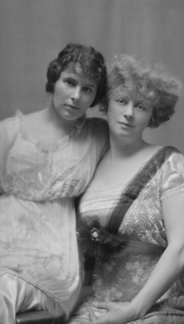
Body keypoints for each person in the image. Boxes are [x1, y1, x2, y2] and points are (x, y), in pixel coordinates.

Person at [70, 54, 184, 324]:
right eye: (121, 101)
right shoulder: (88, 167)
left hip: (162, 309)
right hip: (100, 307)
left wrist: (132, 311)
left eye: (141, 106)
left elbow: (181, 247)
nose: (129, 113)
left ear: (152, 115)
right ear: (105, 104)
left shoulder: (171, 165)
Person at [0, 43, 109, 323]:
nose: (76, 96)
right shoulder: (10, 131)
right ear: (54, 80)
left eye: (88, 89)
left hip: (52, 256)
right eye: (70, 82)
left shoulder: (98, 136)